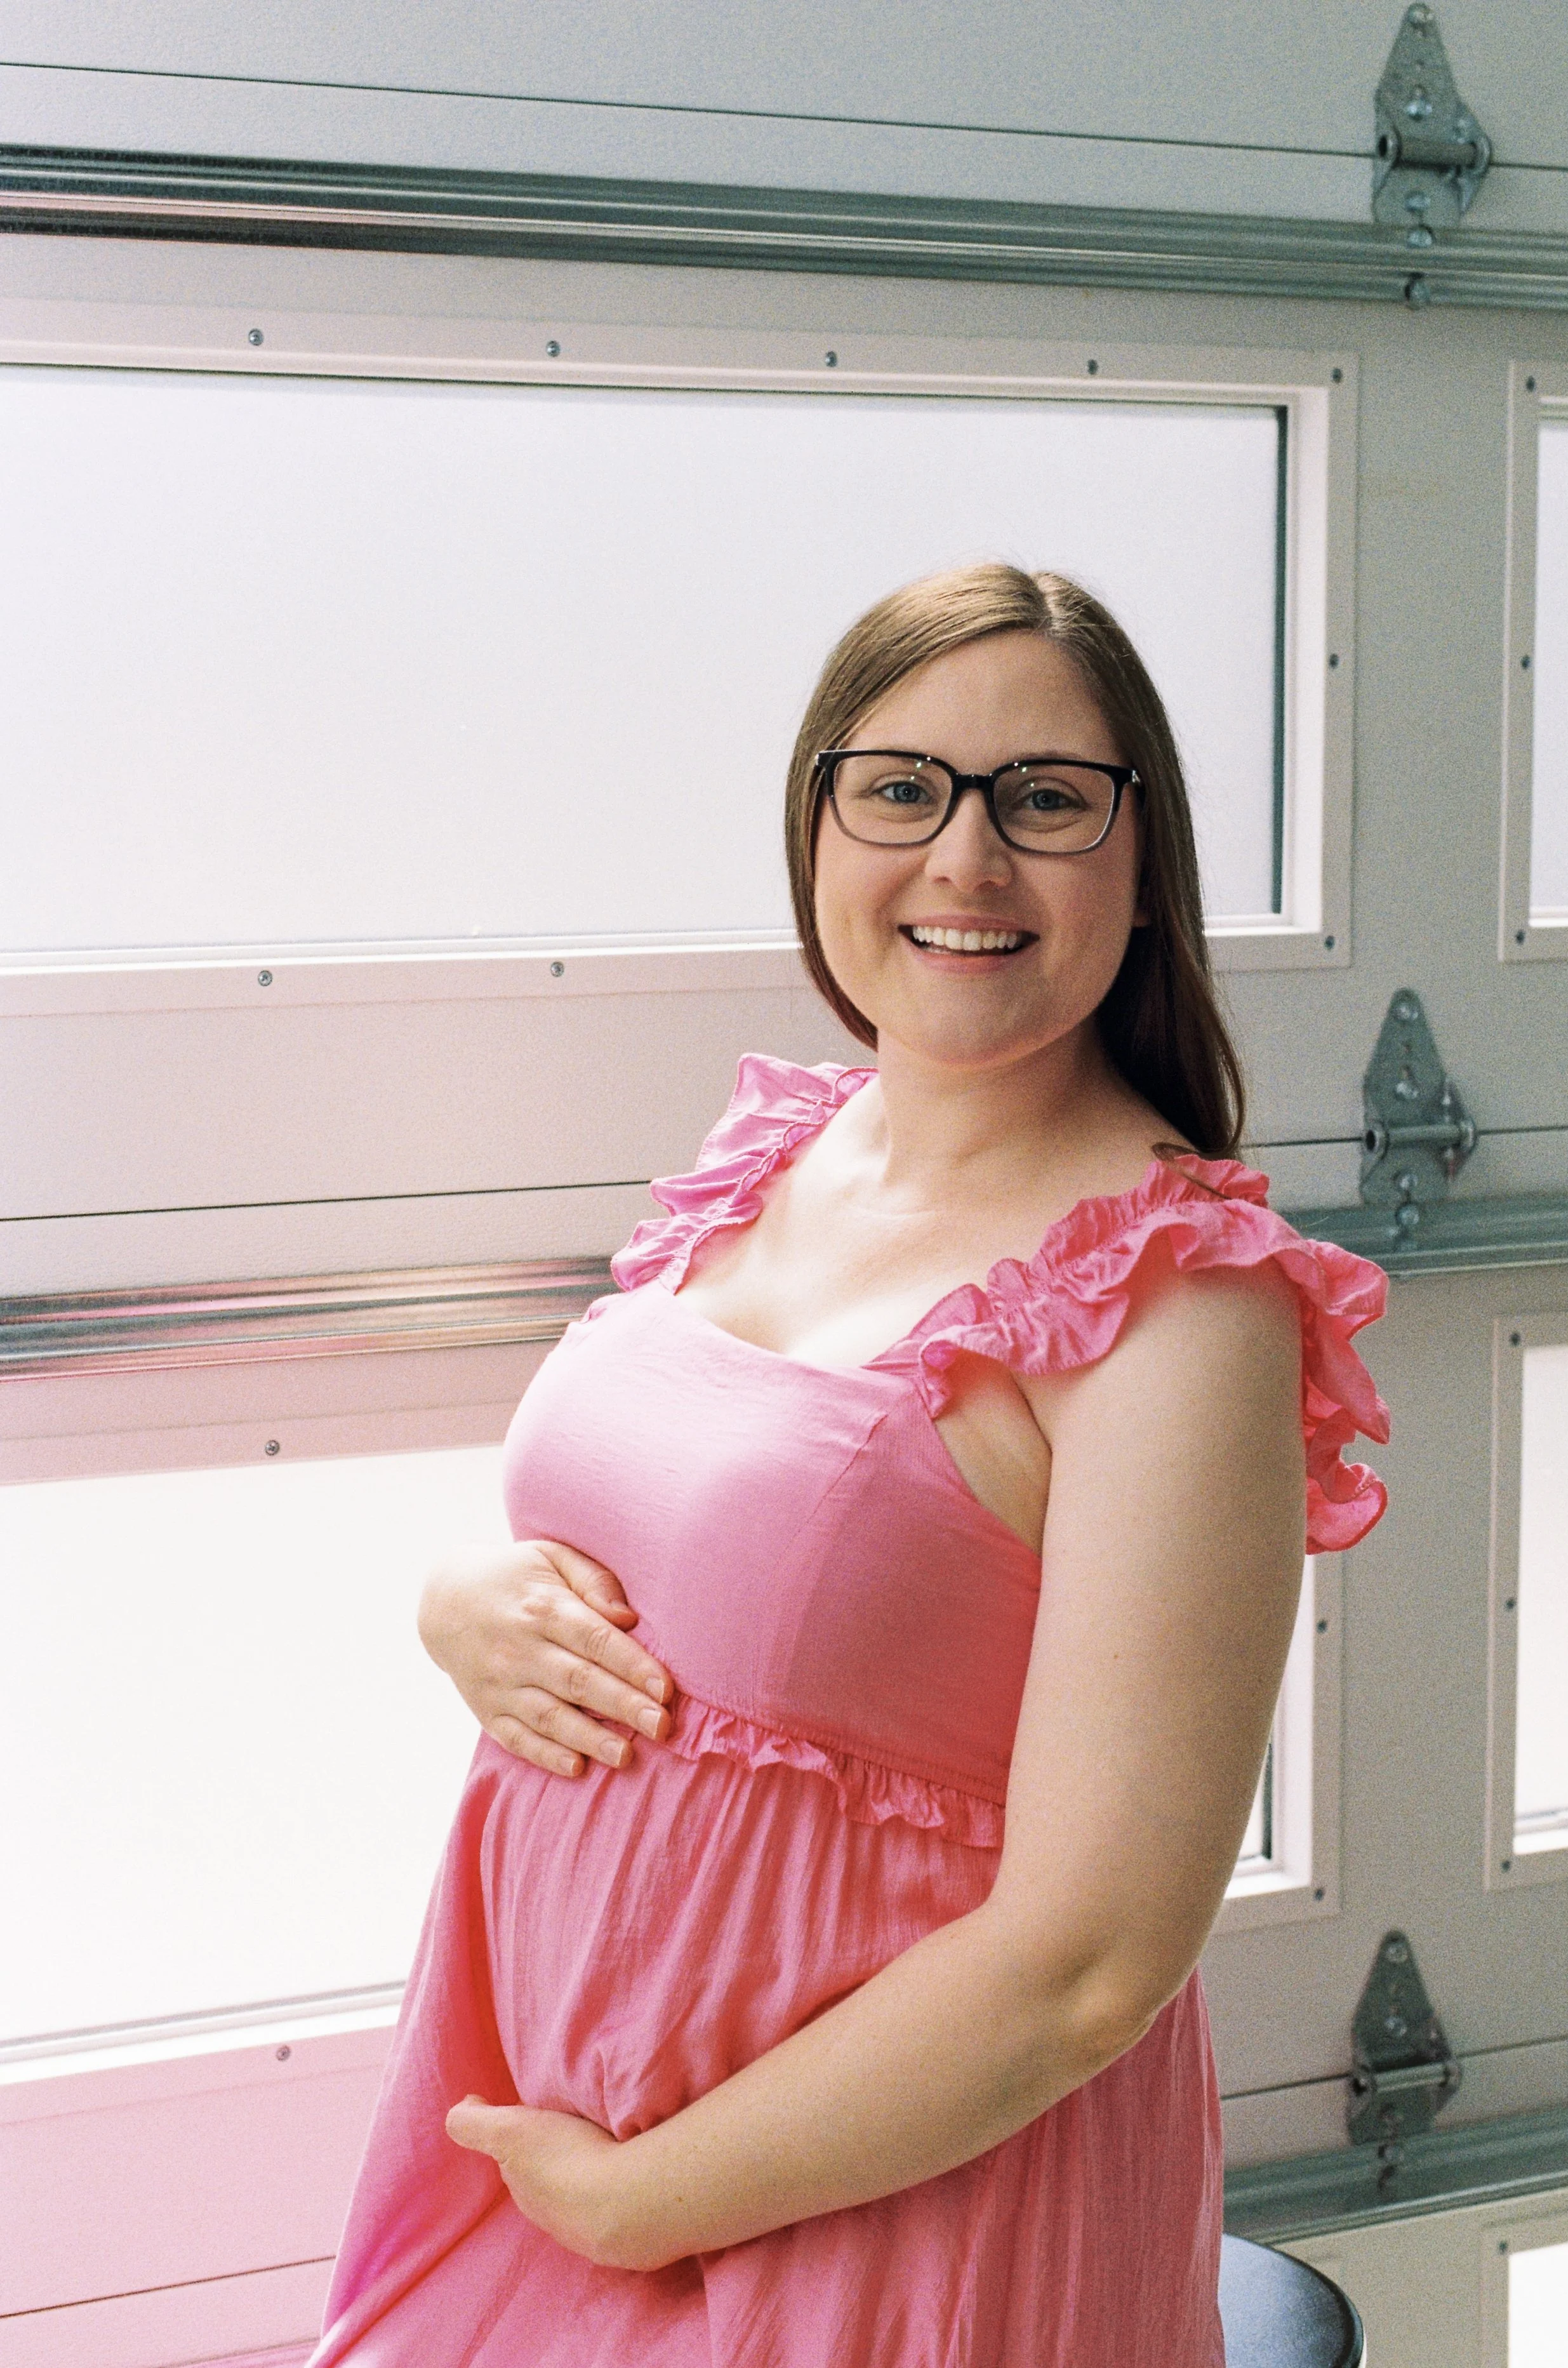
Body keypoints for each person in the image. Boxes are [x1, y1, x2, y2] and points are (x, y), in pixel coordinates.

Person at [310, 563, 1388, 2367]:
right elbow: (696, 1539)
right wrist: (460, 1601)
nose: (966, 858)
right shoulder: (782, 1152)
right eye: (900, 789)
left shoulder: (1183, 1310)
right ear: (817, 828)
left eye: (1044, 799)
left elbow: (1087, 1966)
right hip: (552, 2151)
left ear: (1143, 865)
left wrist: (639, 2204)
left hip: (880, 2222)